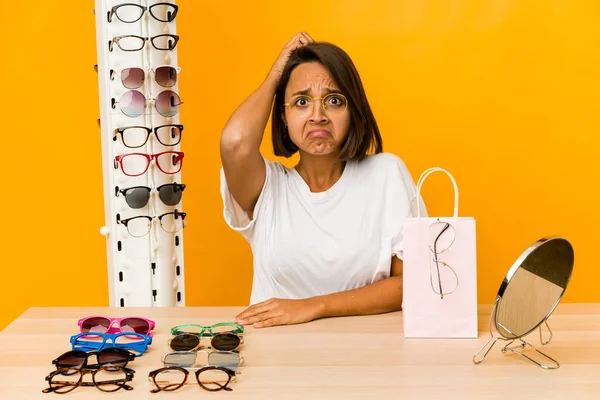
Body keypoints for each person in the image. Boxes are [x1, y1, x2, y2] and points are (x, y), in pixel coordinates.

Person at [219, 32, 426, 328]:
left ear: (353, 110)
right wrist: (278, 72)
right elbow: (235, 141)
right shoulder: (267, 187)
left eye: (334, 100)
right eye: (301, 102)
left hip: (370, 358)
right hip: (275, 359)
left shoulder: (386, 175)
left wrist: (314, 306)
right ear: (282, 117)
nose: (318, 115)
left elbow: (413, 283)